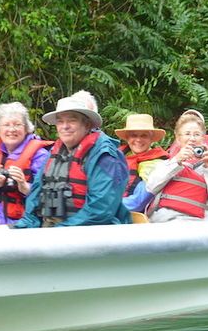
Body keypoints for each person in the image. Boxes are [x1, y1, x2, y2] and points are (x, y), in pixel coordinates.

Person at [14, 90, 130, 228]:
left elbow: (100, 211)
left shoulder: (105, 156)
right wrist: (23, 227)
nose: (65, 126)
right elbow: (35, 196)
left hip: (90, 235)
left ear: (87, 125)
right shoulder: (54, 152)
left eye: (72, 120)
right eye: (60, 121)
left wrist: (59, 232)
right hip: (53, 230)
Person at [146, 111, 208, 222]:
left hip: (199, 223)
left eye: (197, 134)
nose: (192, 138)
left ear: (203, 138)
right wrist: (176, 161)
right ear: (178, 138)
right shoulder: (168, 162)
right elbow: (151, 187)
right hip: (165, 219)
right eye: (187, 134)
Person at [115, 113, 168, 213]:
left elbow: (137, 203)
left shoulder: (157, 164)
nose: (138, 140)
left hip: (132, 216)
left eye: (144, 135)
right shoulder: (116, 156)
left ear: (151, 139)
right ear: (127, 138)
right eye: (134, 135)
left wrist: (105, 206)